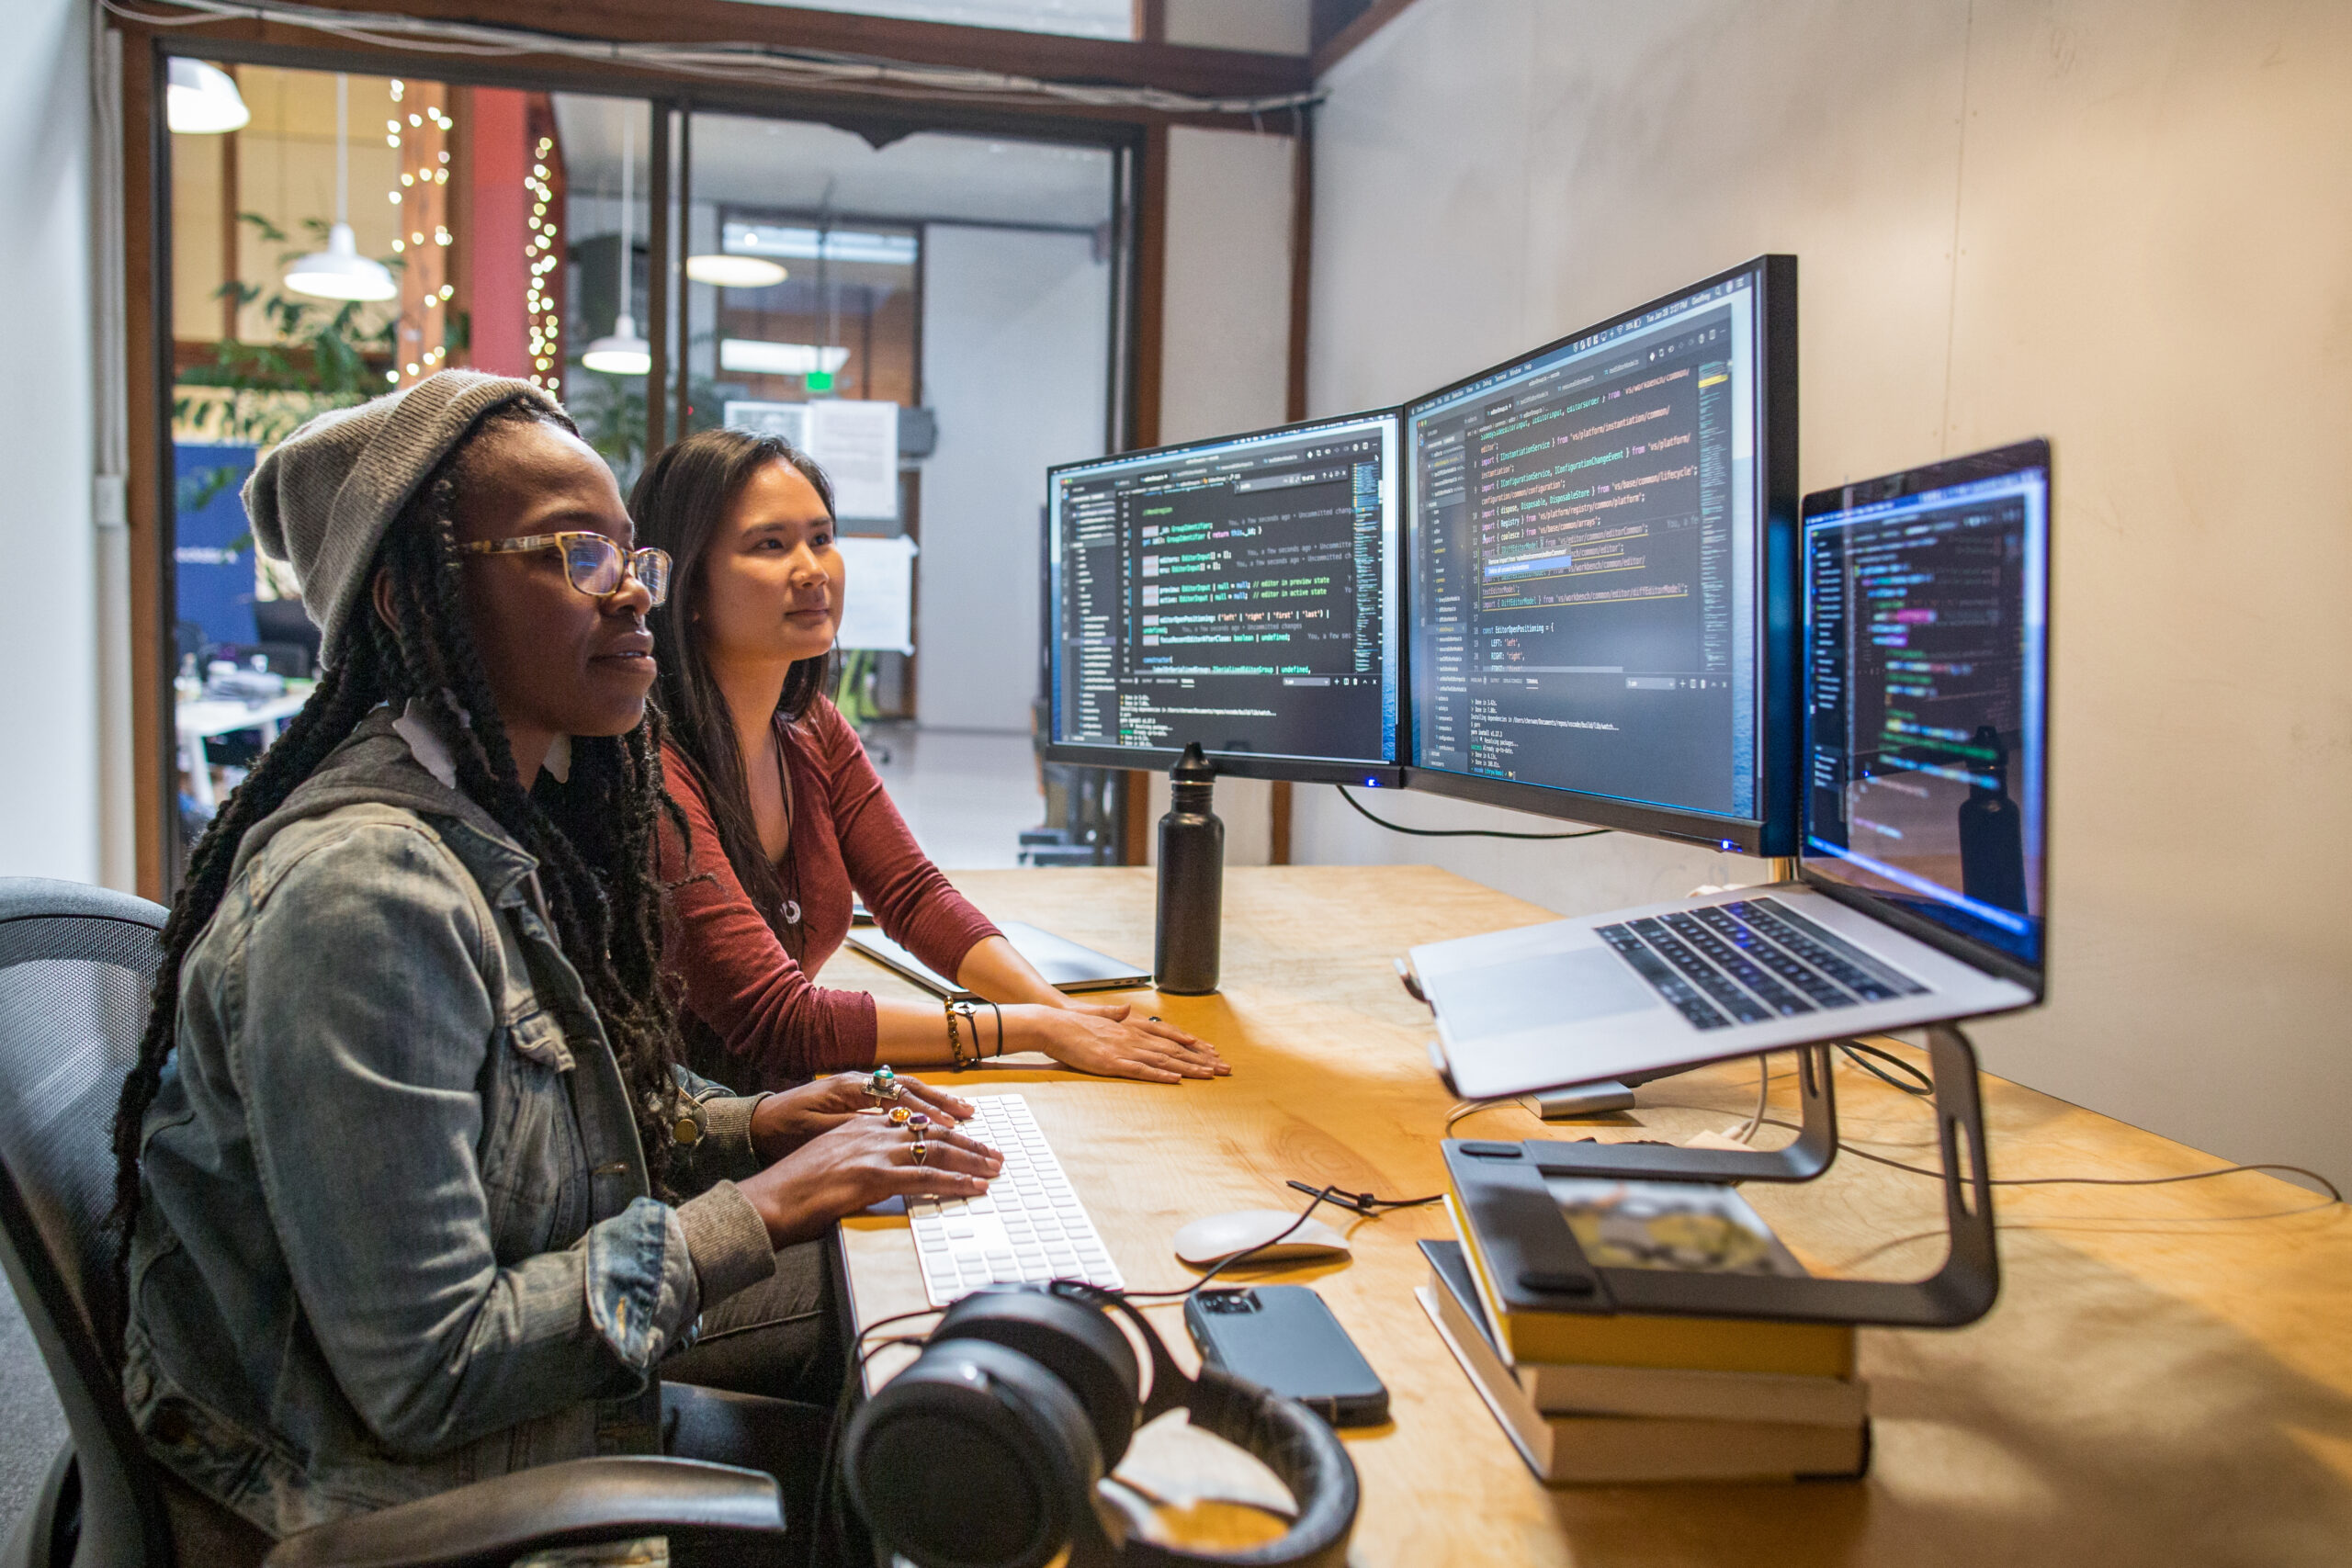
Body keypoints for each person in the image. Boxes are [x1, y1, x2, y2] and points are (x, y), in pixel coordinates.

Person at [109, 372, 989, 1563]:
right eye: (574, 554)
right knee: (912, 1342)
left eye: (632, 554)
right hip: (375, 1490)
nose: (630, 589)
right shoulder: (366, 894)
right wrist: (769, 1197)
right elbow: (428, 1371)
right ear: (413, 597)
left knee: (906, 1320)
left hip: (492, 1419)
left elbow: (562, 1109)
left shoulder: (510, 819)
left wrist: (761, 1119)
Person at [629, 428, 1228, 1089]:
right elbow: (782, 1019)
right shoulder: (651, 768)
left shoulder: (810, 727)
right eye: (770, 545)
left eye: (822, 538)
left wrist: (1063, 1014)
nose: (812, 570)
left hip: (777, 1106)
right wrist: (1033, 1029)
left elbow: (914, 896)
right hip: (681, 1147)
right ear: (687, 585)